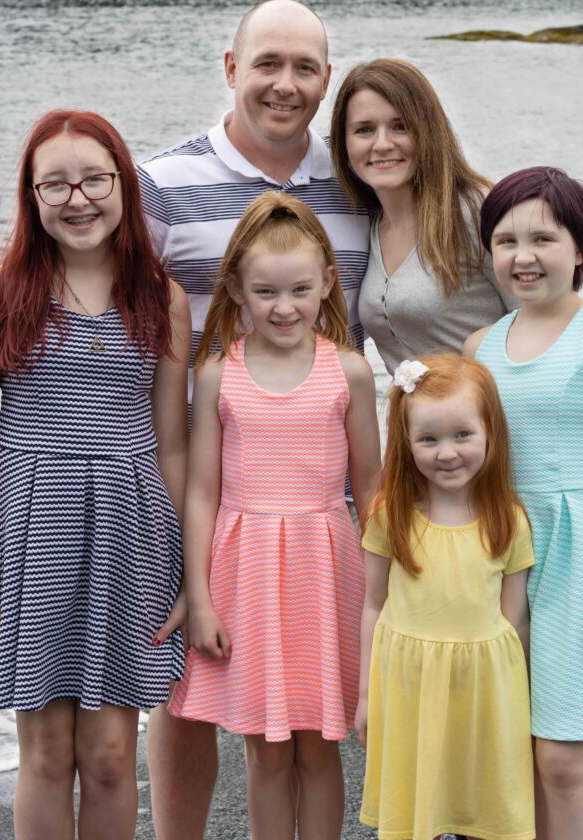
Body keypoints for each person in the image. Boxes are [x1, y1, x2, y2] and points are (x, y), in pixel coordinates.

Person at [137, 0, 371, 837]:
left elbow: (441, 272)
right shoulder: (161, 185)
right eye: (266, 63)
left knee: (306, 721)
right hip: (194, 466)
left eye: (304, 67)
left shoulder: (354, 185)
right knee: (188, 682)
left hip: (311, 488)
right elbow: (86, 290)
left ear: (326, 80)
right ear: (230, 69)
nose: (284, 83)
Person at [0, 111, 190, 839]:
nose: (77, 199)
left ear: (123, 185)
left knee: (107, 753)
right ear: (32, 197)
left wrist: (196, 575)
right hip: (31, 533)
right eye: (55, 184)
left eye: (94, 178)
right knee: (43, 754)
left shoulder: (162, 298)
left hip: (131, 533)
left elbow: (174, 449)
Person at [168, 191, 380, 840]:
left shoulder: (348, 371)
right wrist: (198, 596)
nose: (283, 307)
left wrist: (387, 587)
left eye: (298, 290)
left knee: (319, 744)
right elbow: (202, 491)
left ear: (326, 284)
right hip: (245, 573)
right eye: (265, 291)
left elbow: (370, 488)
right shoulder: (215, 374)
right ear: (234, 288)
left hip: (326, 569)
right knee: (262, 745)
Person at [464, 166, 583, 840]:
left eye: (542, 239)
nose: (522, 257)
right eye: (504, 241)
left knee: (564, 756)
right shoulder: (478, 348)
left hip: (582, 561)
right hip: (502, 560)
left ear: (579, 249)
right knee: (514, 749)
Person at [357, 353, 535, 840]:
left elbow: (513, 621)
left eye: (462, 434)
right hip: (409, 685)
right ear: (406, 443)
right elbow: (373, 604)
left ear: (489, 433)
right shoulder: (389, 516)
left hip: (485, 690)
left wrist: (522, 702)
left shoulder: (509, 519)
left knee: (484, 804)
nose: (447, 452)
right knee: (417, 811)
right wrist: (366, 697)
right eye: (428, 439)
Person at [330, 58, 513, 373]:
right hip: (415, 421)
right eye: (365, 130)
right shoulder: (367, 224)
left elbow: (540, 318)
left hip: (494, 416)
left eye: (400, 126)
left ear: (427, 131)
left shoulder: (476, 210)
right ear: (344, 144)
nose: (382, 144)